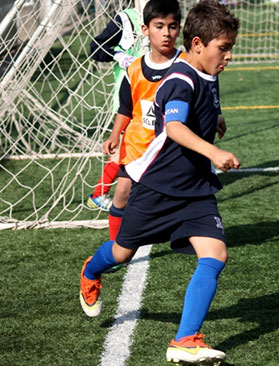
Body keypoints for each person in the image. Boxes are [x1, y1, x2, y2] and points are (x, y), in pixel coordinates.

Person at [79, 1, 240, 365]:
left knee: (215, 254)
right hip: (158, 185)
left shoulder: (205, 72)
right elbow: (175, 128)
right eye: (223, 48)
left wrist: (215, 120)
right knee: (121, 253)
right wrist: (214, 153)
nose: (228, 56)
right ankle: (91, 270)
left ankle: (185, 339)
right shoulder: (180, 79)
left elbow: (199, 111)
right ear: (198, 44)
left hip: (196, 187)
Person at [101, 1, 185, 241]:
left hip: (172, 145)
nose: (166, 33)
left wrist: (217, 114)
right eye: (159, 26)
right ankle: (116, 245)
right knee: (122, 193)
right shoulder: (135, 68)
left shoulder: (186, 65)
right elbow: (126, 108)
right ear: (146, 29)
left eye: (172, 26)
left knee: (177, 197)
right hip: (138, 144)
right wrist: (114, 135)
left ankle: (185, 232)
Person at [86, 7, 142, 211]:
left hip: (151, 92)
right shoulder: (126, 19)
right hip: (128, 95)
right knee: (127, 145)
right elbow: (96, 47)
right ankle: (99, 194)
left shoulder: (164, 10)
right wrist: (118, 55)